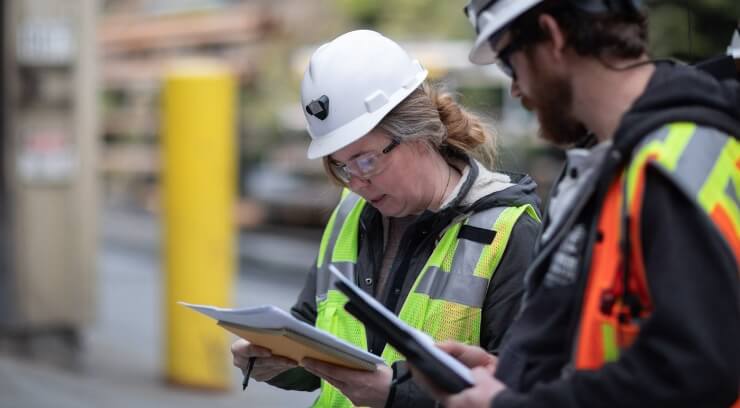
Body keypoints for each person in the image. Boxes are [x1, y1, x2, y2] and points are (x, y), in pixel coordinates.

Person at [408, 0, 740, 407]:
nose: (515, 88)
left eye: (510, 63)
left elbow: (694, 370)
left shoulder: (671, 162)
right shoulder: (606, 162)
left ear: (553, 36)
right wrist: (514, 376)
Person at [230, 29, 542, 407]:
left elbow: (523, 392)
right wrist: (277, 360)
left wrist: (395, 396)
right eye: (341, 166)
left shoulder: (506, 231)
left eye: (366, 159)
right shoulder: (349, 212)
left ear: (419, 132)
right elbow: (314, 331)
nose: (357, 182)